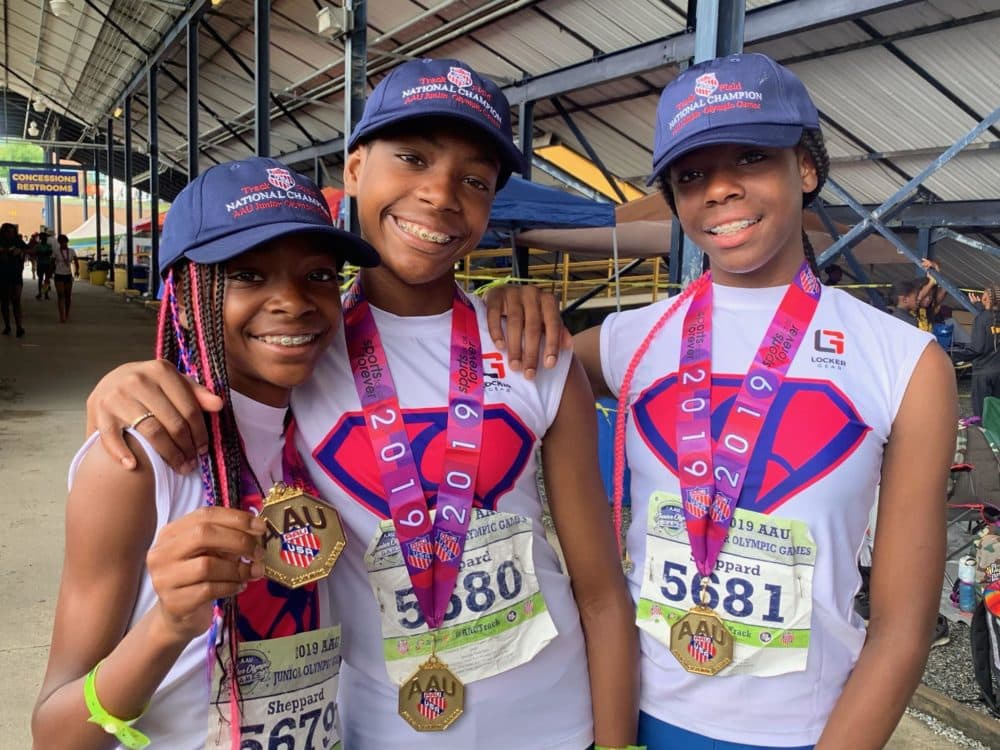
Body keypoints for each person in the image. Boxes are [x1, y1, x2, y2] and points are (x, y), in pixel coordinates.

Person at [80, 58, 639, 749]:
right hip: (379, 725)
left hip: (554, 718)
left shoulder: (532, 352)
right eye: (411, 157)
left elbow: (602, 593)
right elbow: (212, 367)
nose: (439, 194)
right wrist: (120, 385)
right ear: (353, 171)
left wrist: (618, 742)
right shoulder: (300, 355)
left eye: (475, 180)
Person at [488, 53, 956, 749]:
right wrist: (505, 305)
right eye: (692, 174)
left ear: (805, 168)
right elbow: (486, 375)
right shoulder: (627, 342)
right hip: (630, 712)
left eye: (750, 158)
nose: (719, 190)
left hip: (808, 730)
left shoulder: (905, 362)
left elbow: (902, 626)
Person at [32, 157, 381, 749]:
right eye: (247, 274)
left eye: (318, 275)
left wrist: (515, 305)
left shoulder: (343, 429)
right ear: (186, 300)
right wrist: (166, 628)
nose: (293, 301)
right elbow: (55, 734)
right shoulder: (137, 465)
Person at [968, 286, 1000, 417]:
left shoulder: (981, 319)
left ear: (986, 299)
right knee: (996, 411)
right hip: (998, 371)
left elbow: (977, 348)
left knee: (982, 414)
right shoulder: (990, 317)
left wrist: (953, 356)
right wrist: (980, 307)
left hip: (983, 373)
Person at [0, 222, 28, 337]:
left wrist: (21, 251)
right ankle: (7, 325)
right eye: (8, 232)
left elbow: (30, 249)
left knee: (16, 300)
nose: (10, 234)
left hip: (16, 274)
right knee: (5, 301)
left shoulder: (17, 241)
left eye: (12, 232)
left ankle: (19, 326)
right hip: (2, 275)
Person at [52, 234, 79, 323]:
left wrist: (77, 271)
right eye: (62, 242)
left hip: (68, 275)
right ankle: (61, 315)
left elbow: (76, 261)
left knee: (68, 296)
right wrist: (49, 275)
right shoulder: (56, 251)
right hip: (58, 274)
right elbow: (52, 263)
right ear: (59, 243)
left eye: (65, 242)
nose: (64, 244)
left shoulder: (71, 251)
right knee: (60, 295)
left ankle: (67, 313)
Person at [33, 230, 55, 300]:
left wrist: (42, 253)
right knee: (42, 279)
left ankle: (43, 293)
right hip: (43, 263)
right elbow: (45, 253)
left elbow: (48, 253)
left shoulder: (40, 246)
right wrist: (45, 253)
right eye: (43, 237)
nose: (44, 239)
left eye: (44, 237)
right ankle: (43, 293)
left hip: (44, 264)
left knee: (45, 279)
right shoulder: (43, 246)